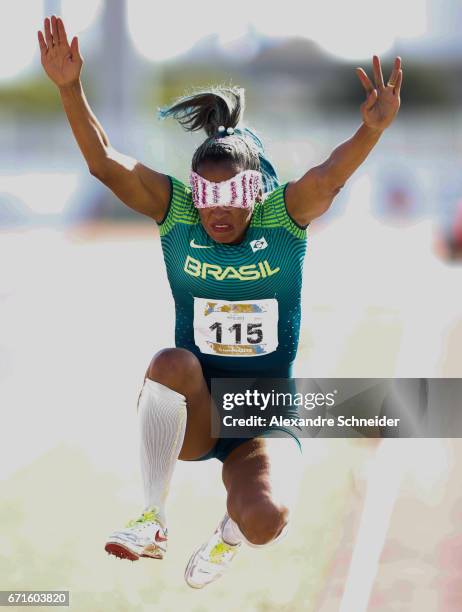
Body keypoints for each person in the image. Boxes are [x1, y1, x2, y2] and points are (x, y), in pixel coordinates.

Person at [38, 15, 403, 588]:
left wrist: (371, 132)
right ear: (193, 192)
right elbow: (105, 162)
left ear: (255, 192)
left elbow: (329, 177)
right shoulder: (177, 212)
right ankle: (152, 518)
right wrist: (68, 87)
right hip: (200, 409)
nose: (219, 209)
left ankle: (229, 533)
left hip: (264, 416)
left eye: (234, 195)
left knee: (265, 519)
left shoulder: (284, 217)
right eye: (207, 195)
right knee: (169, 362)